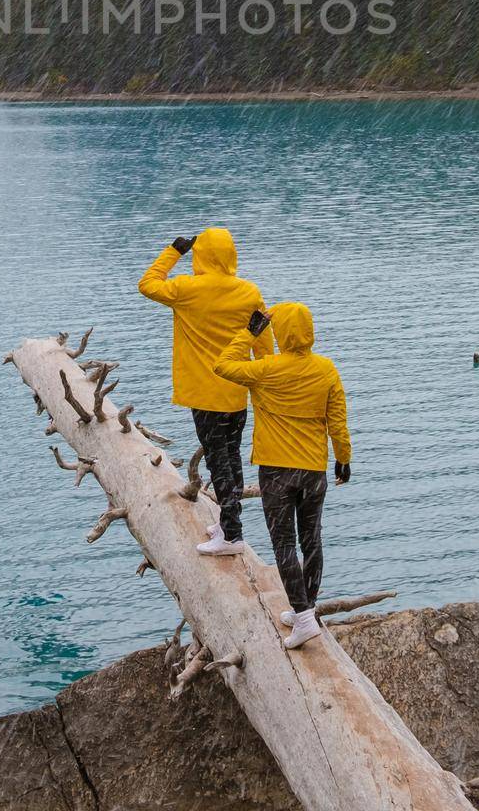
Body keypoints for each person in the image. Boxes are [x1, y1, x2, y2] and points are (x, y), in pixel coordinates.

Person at [213, 302, 351, 649]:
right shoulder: (326, 369)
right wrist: (343, 459)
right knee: (311, 540)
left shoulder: (265, 369)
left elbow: (222, 365)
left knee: (284, 544)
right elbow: (337, 420)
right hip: (314, 470)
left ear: (281, 332)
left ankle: (303, 618)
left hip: (277, 470)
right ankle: (306, 607)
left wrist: (250, 332)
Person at [139, 228, 273, 556]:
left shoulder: (186, 289)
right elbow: (262, 341)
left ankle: (232, 536)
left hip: (204, 394)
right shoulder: (249, 292)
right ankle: (229, 523)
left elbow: (148, 283)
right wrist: (264, 380)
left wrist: (174, 251)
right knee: (232, 457)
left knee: (218, 462)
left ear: (200, 255)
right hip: (236, 390)